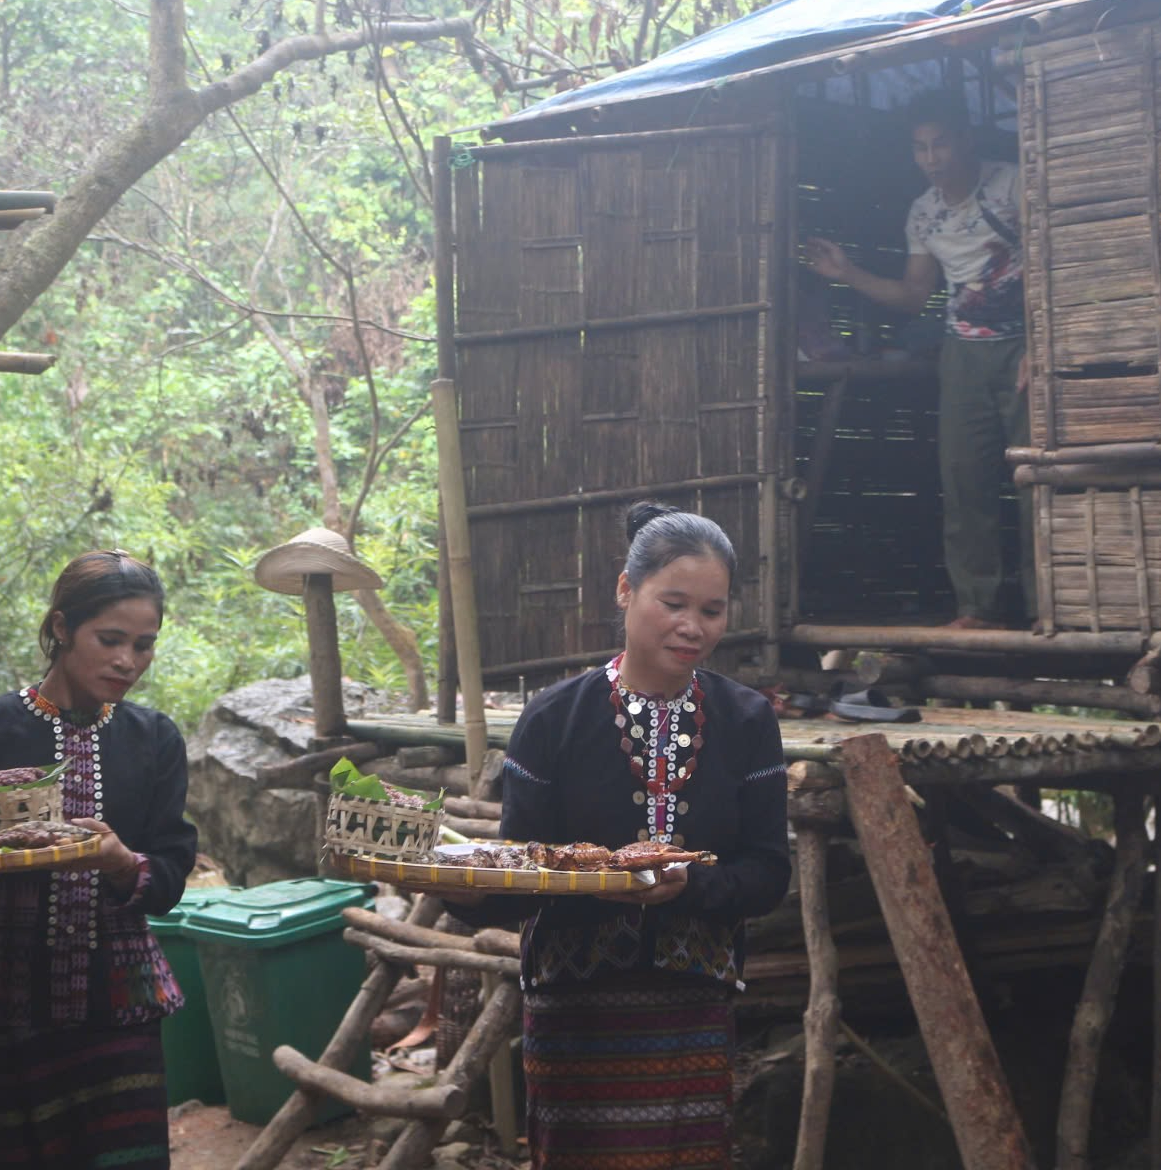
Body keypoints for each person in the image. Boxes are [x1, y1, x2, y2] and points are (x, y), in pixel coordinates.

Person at [435, 503, 791, 1170]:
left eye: (712, 611)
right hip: (576, 1011)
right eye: (674, 602)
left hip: (693, 1007)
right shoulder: (552, 719)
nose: (693, 626)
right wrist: (462, 886)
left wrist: (693, 885)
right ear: (626, 591)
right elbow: (520, 875)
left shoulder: (746, 722)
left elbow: (770, 872)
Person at [0, 549, 198, 1169]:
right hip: (4, 994)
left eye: (144, 645)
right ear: (63, 628)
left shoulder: (154, 741)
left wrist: (125, 863)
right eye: (111, 639)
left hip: (117, 999)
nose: (128, 661)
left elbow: (172, 867)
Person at [806, 89, 1033, 628]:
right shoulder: (923, 212)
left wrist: (1044, 345)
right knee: (965, 482)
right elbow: (914, 296)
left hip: (1025, 346)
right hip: (963, 354)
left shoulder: (1014, 183)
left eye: (941, 144)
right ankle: (976, 608)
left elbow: (1058, 260)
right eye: (920, 149)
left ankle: (1053, 606)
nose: (932, 159)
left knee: (1036, 478)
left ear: (966, 140)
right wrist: (849, 275)